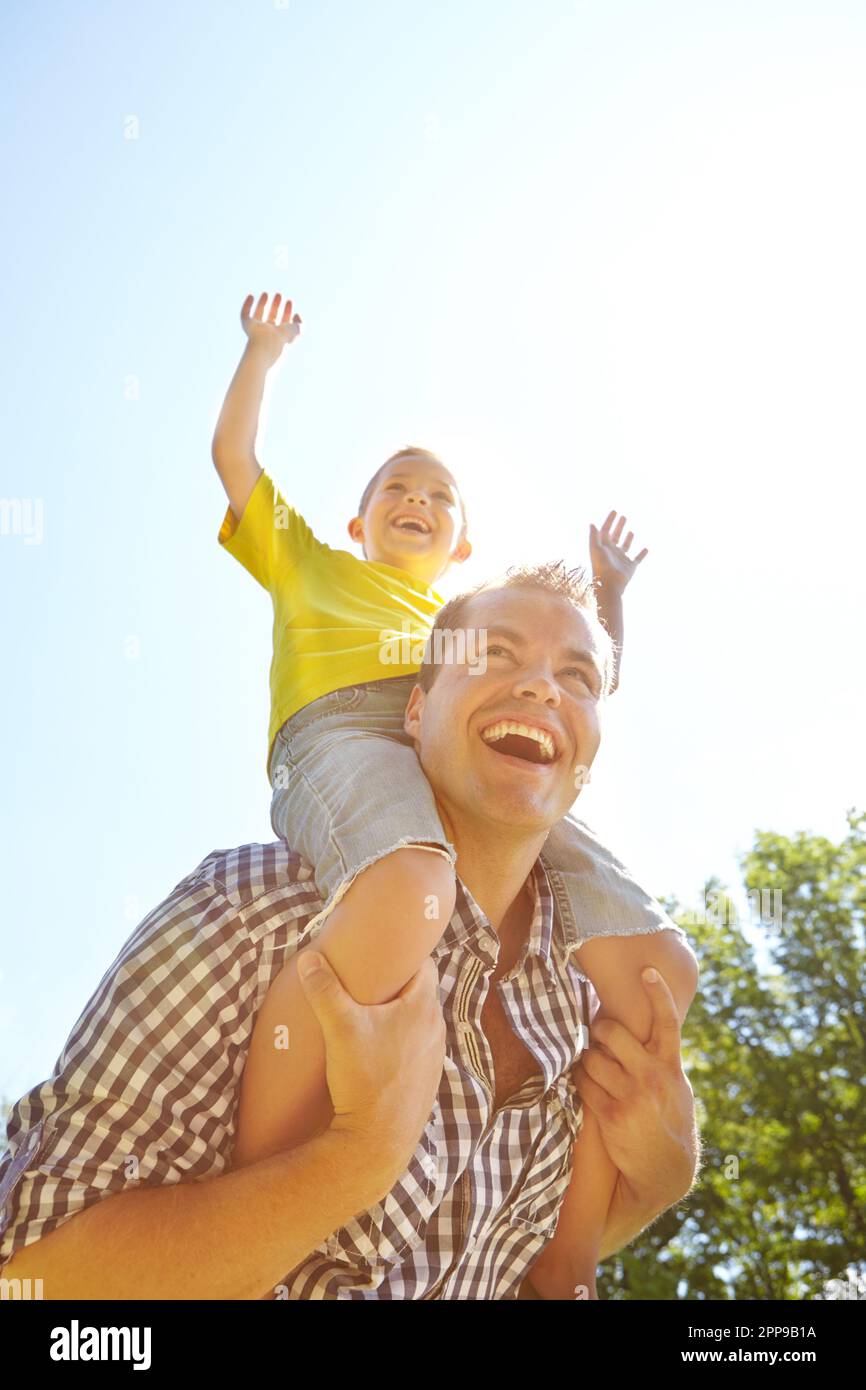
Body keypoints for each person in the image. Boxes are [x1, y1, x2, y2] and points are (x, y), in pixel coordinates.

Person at [0, 576, 699, 1300]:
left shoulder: (591, 1014)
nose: (542, 688)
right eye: (495, 653)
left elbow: (506, 1266)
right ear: (416, 710)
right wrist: (355, 1158)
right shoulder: (252, 910)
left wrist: (653, 1189)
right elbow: (36, 1286)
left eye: (576, 674)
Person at [212, 291, 695, 1294]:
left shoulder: (467, 624)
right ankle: (261, 1206)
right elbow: (235, 463)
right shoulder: (310, 562)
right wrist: (262, 353)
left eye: (437, 495)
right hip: (344, 730)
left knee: (654, 973)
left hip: (463, 752)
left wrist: (609, 595)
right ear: (358, 518)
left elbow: (574, 679)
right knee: (405, 892)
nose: (416, 499)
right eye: (396, 485)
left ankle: (561, 1255)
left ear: (461, 541)